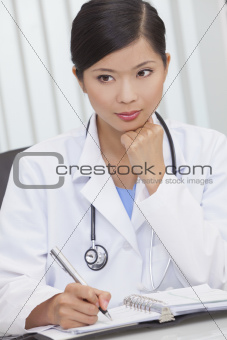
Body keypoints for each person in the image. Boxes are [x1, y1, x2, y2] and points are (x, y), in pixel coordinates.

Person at [0, 0, 227, 335]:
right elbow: (6, 292)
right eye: (105, 77)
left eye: (143, 73)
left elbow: (219, 278)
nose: (127, 96)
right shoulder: (38, 167)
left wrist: (157, 178)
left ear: (165, 66)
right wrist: (51, 307)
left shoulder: (210, 150)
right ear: (79, 79)